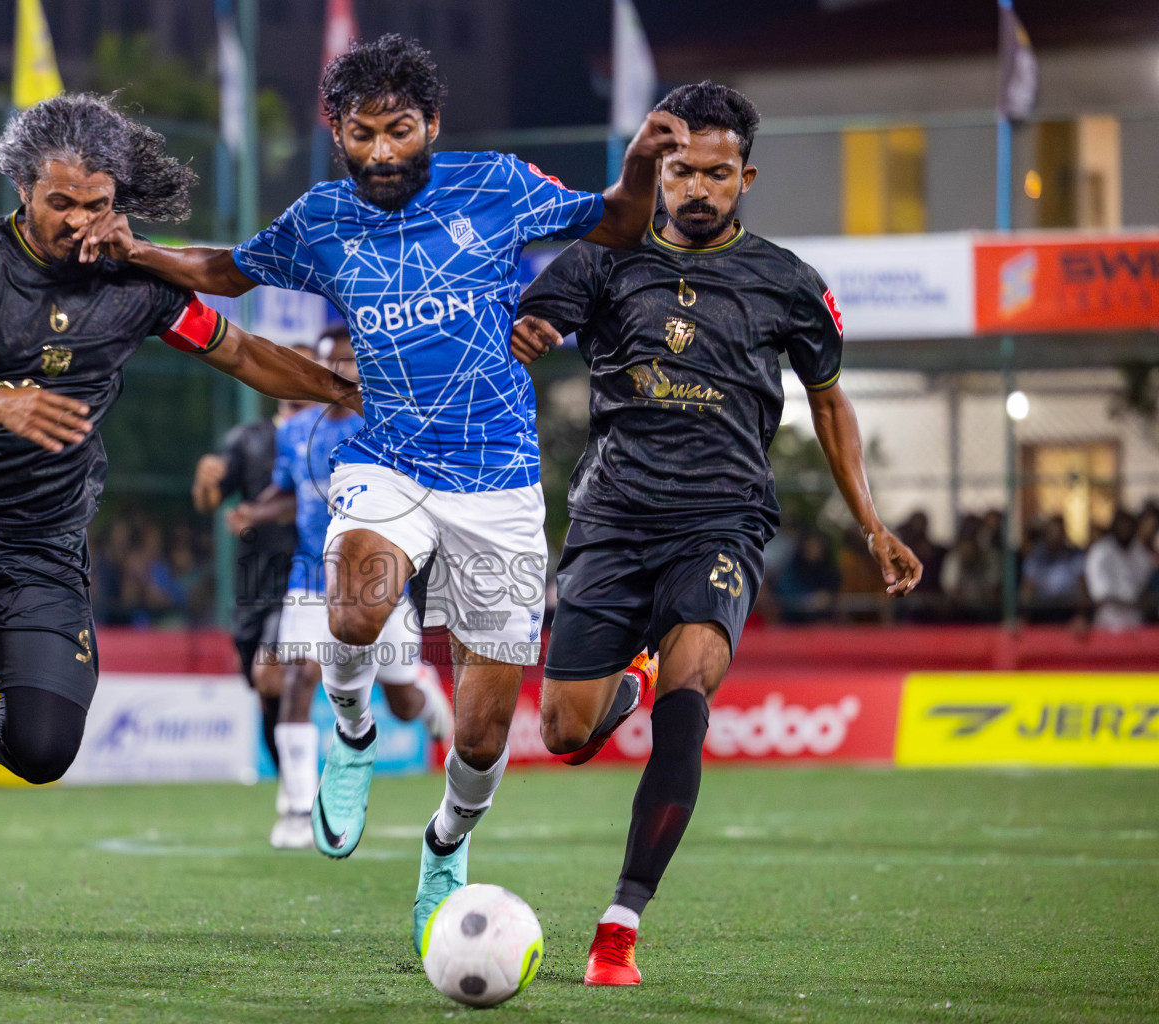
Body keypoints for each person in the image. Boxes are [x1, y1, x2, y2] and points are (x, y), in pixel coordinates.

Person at [79, 32, 688, 948]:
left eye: (399, 130)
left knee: (482, 738)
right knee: (355, 613)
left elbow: (615, 225)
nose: (381, 152)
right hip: (387, 458)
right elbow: (227, 272)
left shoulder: (492, 183)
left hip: (500, 483)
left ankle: (446, 842)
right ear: (336, 131)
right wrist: (140, 249)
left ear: (431, 125)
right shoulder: (322, 217)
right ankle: (353, 732)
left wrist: (639, 164)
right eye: (361, 134)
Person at [0, 93, 360, 981]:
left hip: (41, 548)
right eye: (62, 203)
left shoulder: (138, 285)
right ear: (21, 186)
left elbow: (238, 352)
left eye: (99, 203)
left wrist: (342, 389)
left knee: (45, 750)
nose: (82, 222)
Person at [511, 81, 923, 986]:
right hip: (612, 520)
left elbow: (828, 400)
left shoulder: (788, 283)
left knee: (687, 705)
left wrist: (871, 523)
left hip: (722, 522)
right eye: (681, 170)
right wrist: (533, 330)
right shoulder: (600, 261)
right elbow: (531, 326)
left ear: (747, 176)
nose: (698, 188)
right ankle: (628, 676)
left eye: (718, 174)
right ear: (657, 169)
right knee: (564, 735)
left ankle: (619, 926)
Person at [227, 324, 454, 849]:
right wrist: (254, 511)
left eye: (352, 361)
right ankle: (295, 807)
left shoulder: (386, 426)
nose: (342, 370)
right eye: (333, 360)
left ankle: (424, 696)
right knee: (298, 678)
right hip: (310, 576)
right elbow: (293, 494)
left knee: (398, 702)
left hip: (380, 582)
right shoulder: (295, 430)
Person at [191, 346, 308, 788]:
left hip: (304, 578)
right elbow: (210, 502)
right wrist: (205, 484)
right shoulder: (250, 439)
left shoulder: (326, 435)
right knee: (263, 688)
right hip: (253, 582)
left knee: (272, 674)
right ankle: (293, 782)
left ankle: (298, 792)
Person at [1085, 510, 1154, 631]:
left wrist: (1137, 600)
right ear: (1114, 527)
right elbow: (1099, 593)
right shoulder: (1101, 551)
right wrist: (1125, 600)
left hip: (1135, 619)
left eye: (1129, 526)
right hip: (1107, 618)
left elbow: (1145, 586)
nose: (1125, 529)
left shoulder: (1141, 553)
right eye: (1121, 525)